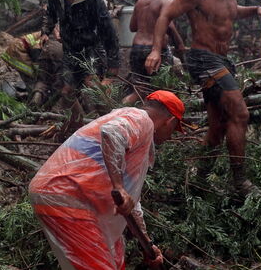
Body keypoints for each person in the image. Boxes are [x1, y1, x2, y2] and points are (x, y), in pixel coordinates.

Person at [145, 0, 261, 196]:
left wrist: (256, 9)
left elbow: (232, 14)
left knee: (219, 125)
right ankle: (240, 184)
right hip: (203, 59)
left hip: (222, 60)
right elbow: (165, 15)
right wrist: (155, 50)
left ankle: (200, 179)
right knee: (240, 113)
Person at [29, 90, 184, 270]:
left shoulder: (134, 131)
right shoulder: (140, 119)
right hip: (67, 194)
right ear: (170, 121)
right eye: (174, 129)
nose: (171, 136)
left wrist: (147, 243)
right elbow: (112, 133)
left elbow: (131, 199)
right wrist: (119, 187)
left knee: (116, 259)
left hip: (77, 199)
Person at [41, 0, 121, 116]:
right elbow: (51, 13)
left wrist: (114, 62)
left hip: (90, 47)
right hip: (70, 48)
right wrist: (45, 32)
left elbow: (108, 30)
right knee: (67, 92)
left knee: (92, 87)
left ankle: (113, 121)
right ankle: (77, 127)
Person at [123, 0, 185, 103]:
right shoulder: (168, 1)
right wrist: (180, 45)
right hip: (155, 51)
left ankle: (119, 109)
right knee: (161, 88)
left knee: (139, 89)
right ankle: (158, 116)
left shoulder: (141, 1)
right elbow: (170, 27)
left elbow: (133, 27)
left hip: (137, 49)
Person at [2, 32, 64, 106]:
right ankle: (34, 103)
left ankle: (36, 100)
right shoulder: (47, 39)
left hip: (20, 50)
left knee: (37, 77)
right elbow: (37, 55)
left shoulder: (51, 35)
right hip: (18, 52)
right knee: (33, 78)